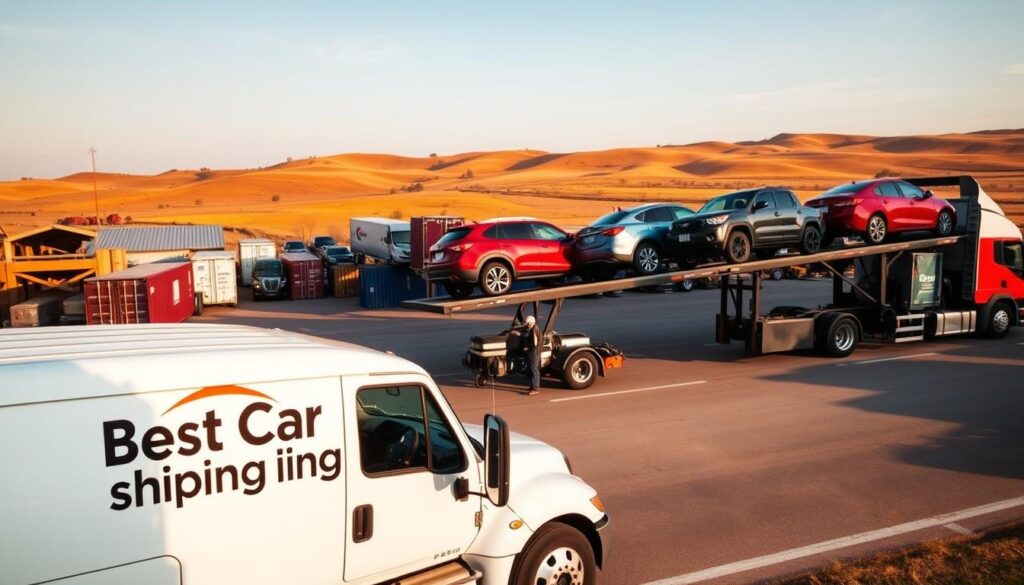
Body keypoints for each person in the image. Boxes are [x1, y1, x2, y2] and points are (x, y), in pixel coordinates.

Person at [512, 315, 543, 395]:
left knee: (534, 370)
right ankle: (533, 386)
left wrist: (528, 348)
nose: (526, 324)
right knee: (530, 369)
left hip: (534, 352)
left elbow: (535, 344)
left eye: (528, 323)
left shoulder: (535, 330)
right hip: (529, 352)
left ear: (532, 323)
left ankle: (536, 388)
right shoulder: (528, 329)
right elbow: (525, 335)